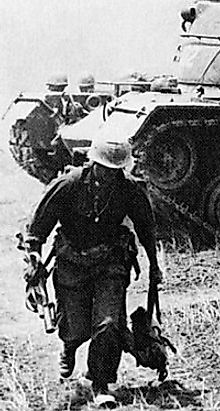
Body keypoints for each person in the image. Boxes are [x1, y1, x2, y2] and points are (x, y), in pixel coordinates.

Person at [21, 136, 161, 408]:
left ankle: (100, 383)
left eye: (116, 169)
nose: (111, 174)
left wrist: (154, 265)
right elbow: (39, 224)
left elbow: (146, 227)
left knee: (108, 324)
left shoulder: (128, 189)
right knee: (76, 327)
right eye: (106, 168)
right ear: (93, 163)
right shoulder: (68, 184)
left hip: (111, 260)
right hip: (72, 260)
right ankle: (70, 347)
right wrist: (33, 255)